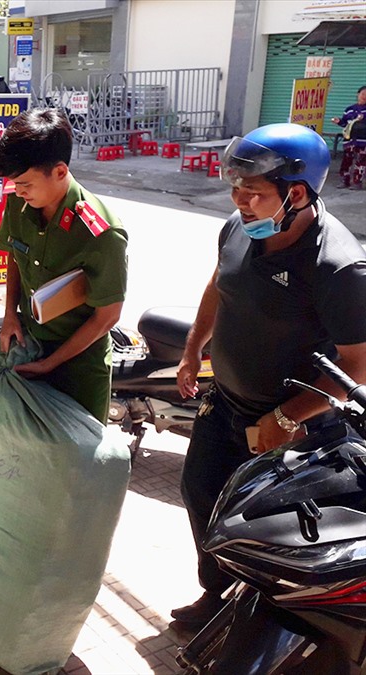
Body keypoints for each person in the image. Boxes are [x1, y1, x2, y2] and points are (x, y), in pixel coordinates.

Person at [171, 123, 366, 630]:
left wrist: (284, 417)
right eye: (235, 188)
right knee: (202, 496)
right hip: (225, 403)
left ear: (296, 193)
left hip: (291, 429)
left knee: (267, 528)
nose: (239, 200)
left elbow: (358, 365)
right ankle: (215, 594)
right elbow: (219, 285)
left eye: (253, 192)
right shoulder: (240, 226)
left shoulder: (339, 266)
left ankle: (259, 616)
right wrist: (194, 350)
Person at [0, 108, 129, 421]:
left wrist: (49, 365)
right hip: (30, 345)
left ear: (59, 171)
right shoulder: (20, 201)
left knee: (75, 464)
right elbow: (13, 254)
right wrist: (10, 315)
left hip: (80, 363)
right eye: (15, 183)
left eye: (26, 183)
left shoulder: (101, 232)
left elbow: (107, 317)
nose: (19, 191)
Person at [330, 85, 366, 189]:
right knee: (346, 161)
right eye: (363, 94)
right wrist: (338, 122)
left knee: (361, 162)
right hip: (349, 140)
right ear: (357, 94)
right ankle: (344, 181)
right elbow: (345, 124)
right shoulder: (349, 110)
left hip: (363, 141)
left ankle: (357, 182)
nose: (364, 96)